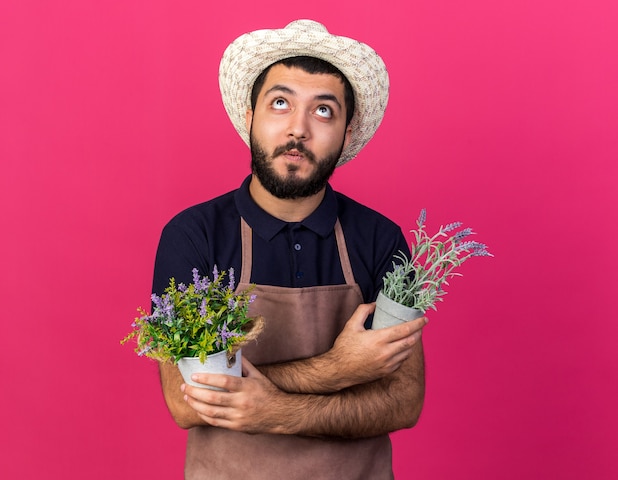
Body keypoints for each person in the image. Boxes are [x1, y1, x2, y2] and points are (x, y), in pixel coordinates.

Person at [152, 19, 427, 480]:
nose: (297, 129)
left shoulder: (381, 239)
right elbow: (186, 402)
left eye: (323, 111)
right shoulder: (193, 234)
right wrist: (339, 368)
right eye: (280, 103)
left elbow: (403, 401)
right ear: (250, 117)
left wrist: (276, 412)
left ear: (347, 131)